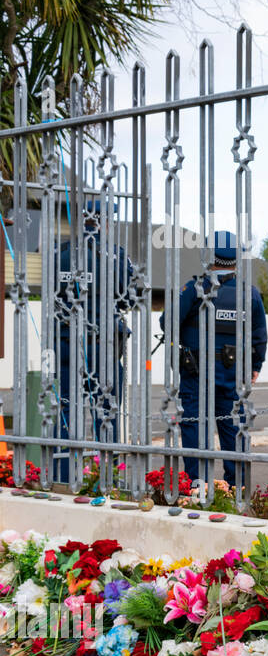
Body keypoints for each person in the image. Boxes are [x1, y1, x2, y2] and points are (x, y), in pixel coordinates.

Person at [163, 230, 267, 487]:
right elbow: (259, 335)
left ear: (209, 254)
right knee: (232, 427)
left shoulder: (194, 289)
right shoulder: (249, 294)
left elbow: (168, 321)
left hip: (195, 373)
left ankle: (198, 485)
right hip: (232, 374)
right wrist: (255, 365)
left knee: (195, 427)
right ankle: (237, 487)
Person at [55, 200, 135, 483]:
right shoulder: (116, 255)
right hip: (104, 345)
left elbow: (53, 298)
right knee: (107, 414)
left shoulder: (62, 253)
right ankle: (107, 478)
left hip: (67, 343)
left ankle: (63, 477)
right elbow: (129, 298)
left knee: (65, 412)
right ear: (106, 221)